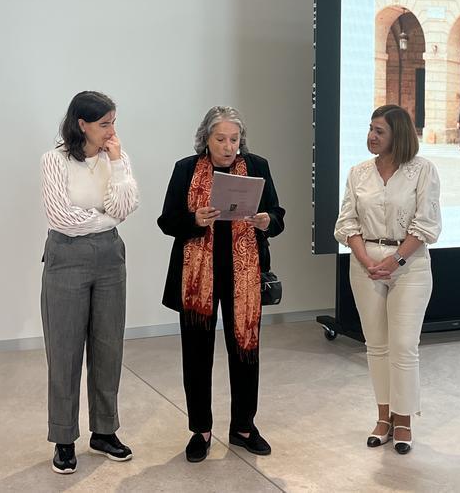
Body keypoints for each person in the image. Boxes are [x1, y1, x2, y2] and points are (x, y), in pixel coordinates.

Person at [158, 106, 285, 463]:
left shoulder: (257, 166)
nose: (229, 146)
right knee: (196, 355)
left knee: (245, 351)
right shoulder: (186, 169)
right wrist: (195, 219)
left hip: (243, 275)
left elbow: (278, 215)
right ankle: (200, 430)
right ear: (206, 139)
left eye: (234, 139)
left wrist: (266, 220)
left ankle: (244, 427)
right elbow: (167, 221)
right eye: (221, 139)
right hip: (197, 277)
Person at [39, 91, 141, 474]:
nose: (112, 131)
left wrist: (115, 164)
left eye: (114, 121)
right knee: (65, 350)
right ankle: (64, 438)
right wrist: (106, 219)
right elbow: (62, 217)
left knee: (108, 346)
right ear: (82, 124)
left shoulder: (118, 157)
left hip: (110, 258)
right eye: (104, 124)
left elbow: (125, 205)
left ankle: (104, 431)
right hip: (66, 259)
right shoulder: (55, 160)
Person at [334, 105, 441, 455]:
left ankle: (404, 419)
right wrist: (365, 258)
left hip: (408, 266)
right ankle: (384, 418)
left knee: (404, 346)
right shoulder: (358, 172)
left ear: (398, 135)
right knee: (376, 345)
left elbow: (426, 225)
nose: (371, 135)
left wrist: (394, 260)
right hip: (365, 265)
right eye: (370, 128)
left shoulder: (423, 171)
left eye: (379, 130)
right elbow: (346, 222)